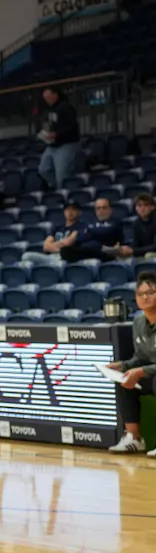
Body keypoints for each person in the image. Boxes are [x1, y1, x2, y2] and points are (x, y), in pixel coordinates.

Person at [108, 274, 156, 454]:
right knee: (123, 380)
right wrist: (122, 366)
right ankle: (134, 438)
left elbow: (143, 366)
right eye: (141, 294)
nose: (145, 297)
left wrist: (141, 371)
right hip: (150, 374)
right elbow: (140, 357)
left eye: (150, 292)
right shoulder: (138, 322)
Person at [37, 86, 81, 190]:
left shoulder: (65, 107)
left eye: (48, 97)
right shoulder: (49, 110)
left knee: (61, 173)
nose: (47, 100)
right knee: (43, 169)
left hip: (66, 143)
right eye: (45, 98)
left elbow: (73, 126)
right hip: (52, 144)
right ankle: (57, 186)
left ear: (55, 95)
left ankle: (63, 192)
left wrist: (57, 133)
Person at [122, 192, 156, 259]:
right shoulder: (137, 223)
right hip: (143, 253)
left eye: (145, 205)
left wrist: (133, 251)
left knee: (148, 256)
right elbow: (136, 245)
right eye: (139, 205)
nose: (142, 209)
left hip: (152, 253)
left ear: (152, 207)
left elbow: (155, 246)